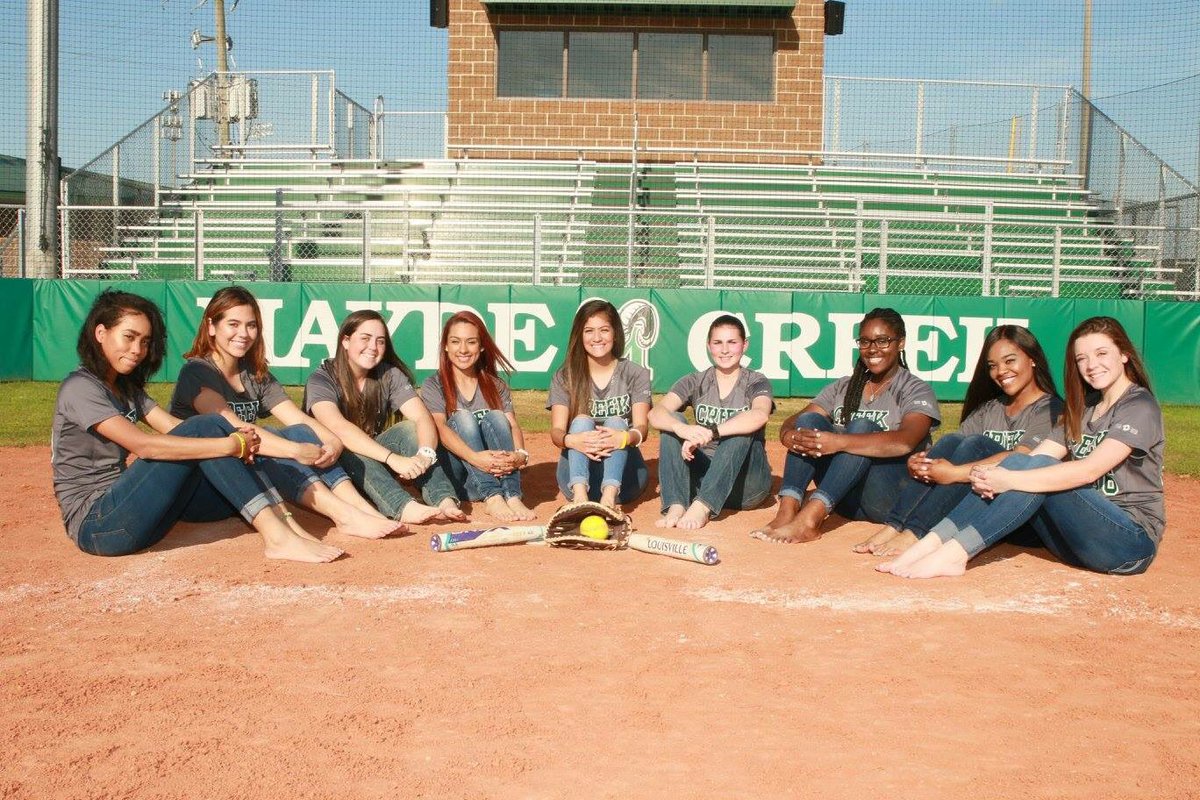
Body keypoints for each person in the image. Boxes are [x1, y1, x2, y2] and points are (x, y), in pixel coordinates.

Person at [52, 289, 343, 563]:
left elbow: (173, 426)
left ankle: (288, 524)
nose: (137, 349)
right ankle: (278, 537)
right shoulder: (80, 387)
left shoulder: (126, 389)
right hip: (99, 526)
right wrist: (229, 444)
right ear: (100, 333)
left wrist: (233, 439)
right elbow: (145, 445)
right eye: (129, 337)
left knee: (214, 428)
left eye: (145, 341)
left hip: (141, 518)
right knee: (210, 427)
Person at [879, 316, 1164, 579]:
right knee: (1021, 463)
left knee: (1033, 470)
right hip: (1078, 539)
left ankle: (955, 554)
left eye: (1101, 353)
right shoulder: (1084, 407)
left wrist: (1008, 479)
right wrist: (991, 475)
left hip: (1128, 542)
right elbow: (1034, 456)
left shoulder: (1139, 405)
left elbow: (1089, 471)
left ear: (1124, 354)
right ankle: (932, 542)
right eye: (1082, 358)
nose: (1091, 365)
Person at [170, 287, 405, 538]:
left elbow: (298, 418)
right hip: (200, 490)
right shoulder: (197, 372)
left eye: (251, 325)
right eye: (233, 324)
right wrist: (293, 450)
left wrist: (333, 441)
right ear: (211, 326)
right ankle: (344, 516)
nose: (244, 333)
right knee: (269, 437)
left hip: (242, 489)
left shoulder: (254, 373)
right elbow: (233, 424)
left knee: (299, 430)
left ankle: (361, 509)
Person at [854, 325, 1062, 557]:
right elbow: (954, 448)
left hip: (1020, 515)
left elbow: (1023, 457)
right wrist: (923, 463)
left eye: (1009, 361)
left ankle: (916, 532)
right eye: (992, 365)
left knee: (976, 444)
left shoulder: (1051, 409)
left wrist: (954, 473)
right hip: (978, 507)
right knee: (954, 440)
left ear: (1032, 359)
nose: (1001, 371)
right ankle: (895, 525)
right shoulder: (989, 408)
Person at [752, 307, 940, 544]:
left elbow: (905, 442)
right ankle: (787, 510)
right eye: (865, 341)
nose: (872, 349)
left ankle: (810, 520)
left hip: (889, 497)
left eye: (882, 341)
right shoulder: (843, 386)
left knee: (861, 427)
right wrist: (788, 435)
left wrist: (838, 442)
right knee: (809, 422)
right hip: (845, 498)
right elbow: (795, 420)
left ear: (900, 343)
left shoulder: (915, 388)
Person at [303, 309, 469, 524]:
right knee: (349, 447)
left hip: (374, 461)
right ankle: (403, 506)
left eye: (380, 341)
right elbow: (338, 427)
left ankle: (443, 499)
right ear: (345, 341)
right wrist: (393, 460)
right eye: (365, 338)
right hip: (334, 466)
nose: (373, 347)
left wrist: (425, 455)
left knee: (409, 429)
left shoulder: (389, 374)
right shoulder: (321, 378)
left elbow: (421, 417)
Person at [648, 314, 773, 530]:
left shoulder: (756, 380)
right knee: (672, 420)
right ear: (709, 346)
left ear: (744, 345)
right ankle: (676, 504)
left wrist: (712, 432)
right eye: (717, 343)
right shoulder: (695, 380)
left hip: (746, 486)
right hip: (704, 478)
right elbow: (655, 414)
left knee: (740, 424)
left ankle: (703, 506)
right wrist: (682, 429)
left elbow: (759, 415)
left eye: (732, 342)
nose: (724, 350)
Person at [420, 311, 536, 522]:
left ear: (481, 347)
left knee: (497, 417)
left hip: (495, 473)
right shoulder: (433, 385)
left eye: (471, 342)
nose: (463, 349)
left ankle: (512, 495)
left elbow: (512, 425)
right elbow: (439, 427)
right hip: (460, 478)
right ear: (446, 346)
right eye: (455, 341)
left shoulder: (496, 385)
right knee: (463, 418)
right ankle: (493, 497)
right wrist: (476, 458)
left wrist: (520, 455)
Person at [548, 299, 650, 509]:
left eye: (604, 330)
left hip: (625, 478)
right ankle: (579, 496)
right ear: (579, 335)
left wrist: (622, 438)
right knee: (581, 421)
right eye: (589, 331)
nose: (597, 338)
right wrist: (573, 440)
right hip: (575, 473)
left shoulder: (636, 373)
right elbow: (557, 433)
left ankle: (609, 498)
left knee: (616, 422)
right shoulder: (565, 376)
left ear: (615, 333)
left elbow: (642, 429)